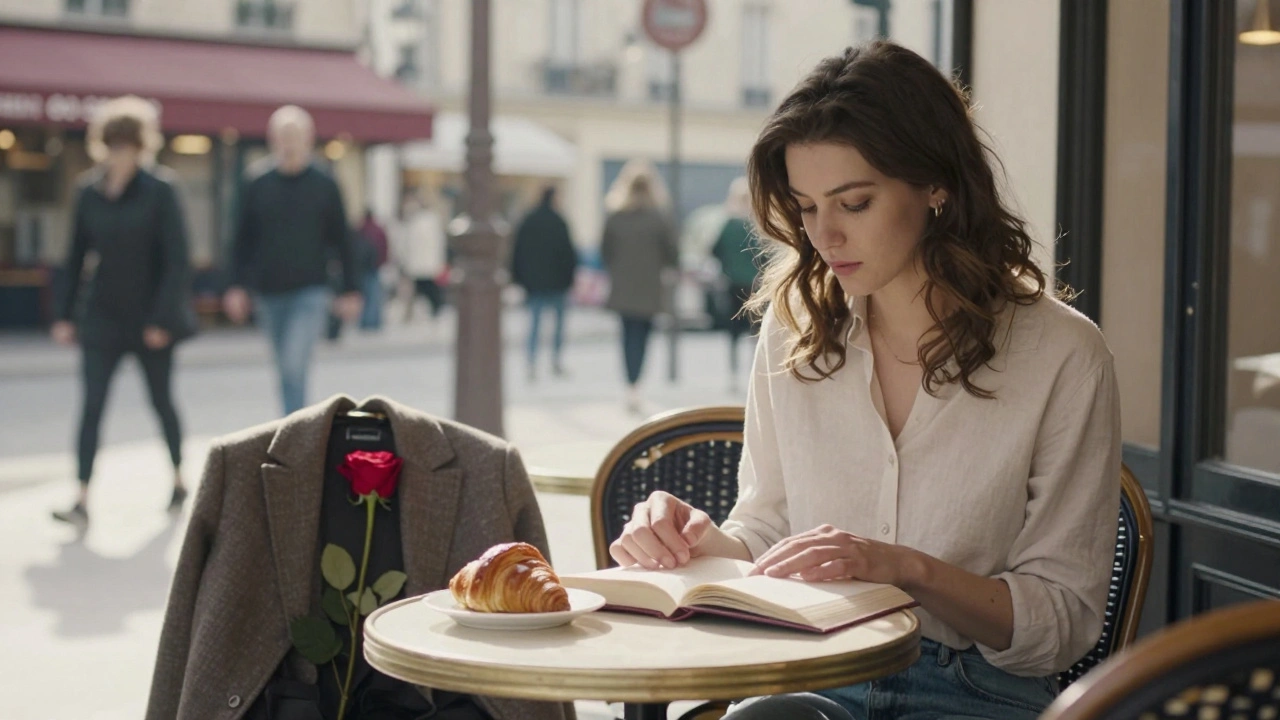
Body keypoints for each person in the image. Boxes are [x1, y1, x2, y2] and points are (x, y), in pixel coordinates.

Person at [609, 41, 1121, 720]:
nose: (824, 235)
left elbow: (1063, 619)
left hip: (970, 690)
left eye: (853, 203)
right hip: (806, 671)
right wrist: (703, 542)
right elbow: (769, 530)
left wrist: (906, 569)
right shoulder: (793, 330)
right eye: (806, 206)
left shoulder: (1064, 354)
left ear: (936, 185)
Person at [51, 95, 197, 526]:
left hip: (150, 319)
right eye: (113, 144)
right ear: (103, 145)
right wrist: (64, 315)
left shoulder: (161, 190)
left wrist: (162, 319)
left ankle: (178, 478)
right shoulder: (89, 191)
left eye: (128, 144)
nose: (120, 153)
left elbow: (178, 260)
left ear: (141, 146)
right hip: (101, 317)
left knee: (161, 401)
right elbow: (74, 256)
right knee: (92, 406)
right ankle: (81, 497)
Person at [223, 105, 362, 416]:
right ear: (272, 139)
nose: (289, 142)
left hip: (310, 291)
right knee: (283, 367)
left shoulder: (324, 184)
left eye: (295, 135)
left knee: (293, 363)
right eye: (283, 135)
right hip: (269, 293)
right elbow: (239, 240)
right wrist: (235, 286)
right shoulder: (257, 183)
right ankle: (294, 424)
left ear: (309, 139)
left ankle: (294, 433)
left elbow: (342, 240)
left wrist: (350, 290)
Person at [601, 167, 678, 414]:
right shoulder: (659, 218)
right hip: (649, 290)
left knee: (626, 337)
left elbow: (604, 252)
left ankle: (630, 385)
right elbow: (672, 255)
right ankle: (636, 385)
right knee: (643, 338)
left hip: (623, 288)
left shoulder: (615, 217)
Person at [511, 186, 579, 380]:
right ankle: (555, 361)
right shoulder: (559, 221)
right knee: (557, 325)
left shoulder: (529, 220)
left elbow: (518, 252)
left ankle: (531, 363)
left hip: (535, 283)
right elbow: (569, 254)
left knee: (534, 323)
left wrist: (518, 278)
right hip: (557, 283)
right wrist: (570, 279)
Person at [712, 176, 761, 391]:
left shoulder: (728, 225)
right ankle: (754, 372)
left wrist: (726, 269)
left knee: (733, 332)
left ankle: (733, 375)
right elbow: (766, 257)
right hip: (756, 285)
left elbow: (714, 251)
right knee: (756, 332)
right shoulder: (757, 227)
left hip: (732, 284)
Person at [395, 192, 449, 330]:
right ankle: (416, 313)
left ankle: (433, 309)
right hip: (418, 263)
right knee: (421, 288)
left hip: (425, 263)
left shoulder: (427, 221)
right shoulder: (414, 221)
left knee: (426, 288)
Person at [356, 209, 390, 331]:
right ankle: (373, 321)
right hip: (375, 266)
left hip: (361, 267)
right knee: (374, 295)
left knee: (364, 295)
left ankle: (365, 321)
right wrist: (383, 261)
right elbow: (385, 246)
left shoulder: (360, 230)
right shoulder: (378, 229)